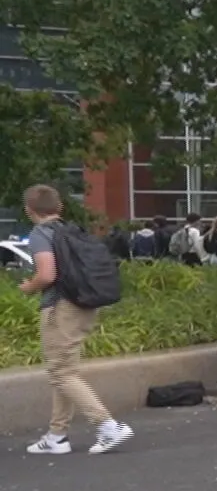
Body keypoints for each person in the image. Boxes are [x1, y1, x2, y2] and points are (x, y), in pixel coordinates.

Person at [19, 184, 134, 455]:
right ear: (59, 208)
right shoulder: (71, 230)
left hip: (60, 307)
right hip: (84, 303)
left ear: (28, 210)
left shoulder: (40, 234)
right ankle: (57, 435)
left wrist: (29, 286)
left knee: (61, 372)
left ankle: (107, 426)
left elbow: (47, 274)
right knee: (64, 371)